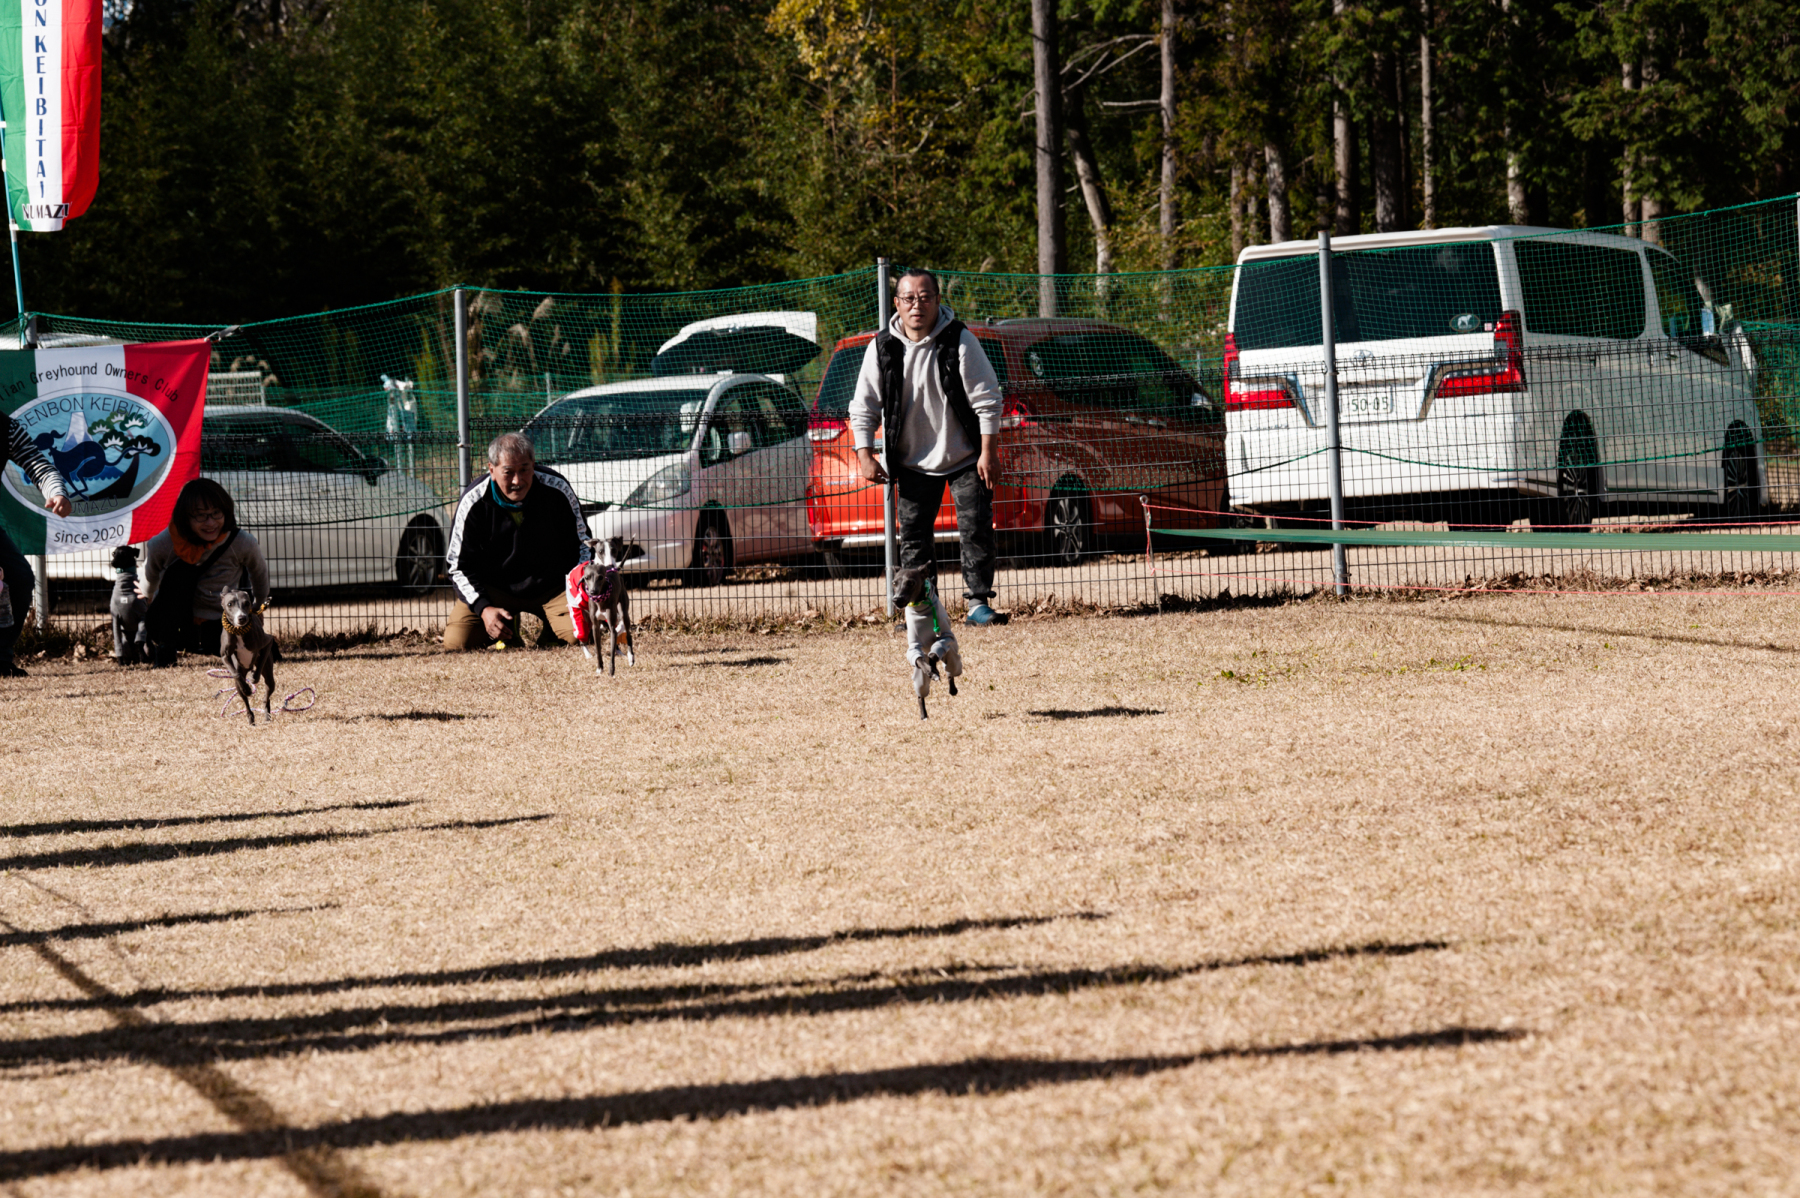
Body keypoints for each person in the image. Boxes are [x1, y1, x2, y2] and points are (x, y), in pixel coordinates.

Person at [848, 268, 1006, 625]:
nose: (916, 305)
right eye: (909, 298)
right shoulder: (882, 347)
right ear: (897, 303)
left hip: (966, 456)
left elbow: (988, 399)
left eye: (924, 297)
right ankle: (922, 610)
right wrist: (865, 454)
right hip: (912, 461)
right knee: (914, 539)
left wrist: (988, 452)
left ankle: (978, 604)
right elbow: (863, 406)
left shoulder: (959, 340)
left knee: (976, 529)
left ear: (937, 300)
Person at [444, 431, 589, 651]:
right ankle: (508, 630)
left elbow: (584, 545)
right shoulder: (473, 500)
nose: (517, 481)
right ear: (491, 470)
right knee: (457, 643)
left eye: (524, 469)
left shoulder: (557, 489)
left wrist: (577, 589)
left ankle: (552, 632)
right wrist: (483, 608)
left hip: (553, 588)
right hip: (495, 590)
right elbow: (457, 565)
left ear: (534, 464)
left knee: (580, 634)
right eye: (508, 472)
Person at [143, 478, 271, 667]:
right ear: (185, 517)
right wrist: (148, 596)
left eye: (216, 513)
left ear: (226, 511)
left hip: (223, 624)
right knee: (175, 577)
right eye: (200, 516)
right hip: (180, 626)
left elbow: (259, 574)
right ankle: (164, 646)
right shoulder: (165, 543)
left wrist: (258, 607)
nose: (210, 523)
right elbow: (150, 576)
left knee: (265, 654)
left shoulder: (241, 542)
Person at [1, 410, 72, 677]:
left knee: (19, 578)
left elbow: (37, 463)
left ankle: (1, 659)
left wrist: (57, 492)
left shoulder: (6, 428)